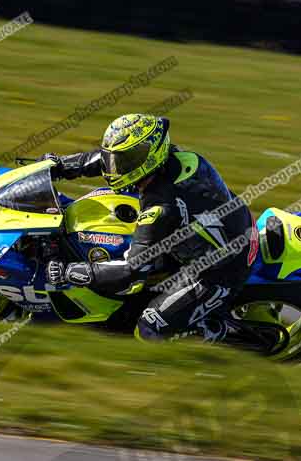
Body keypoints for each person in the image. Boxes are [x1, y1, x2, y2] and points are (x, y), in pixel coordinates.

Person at [44, 114, 257, 342]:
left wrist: (71, 272)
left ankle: (221, 334)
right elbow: (109, 160)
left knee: (149, 328)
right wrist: (61, 166)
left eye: (124, 159)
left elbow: (130, 273)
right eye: (114, 158)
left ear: (148, 156)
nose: (115, 166)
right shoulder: (172, 157)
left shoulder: (161, 208)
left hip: (218, 269)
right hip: (225, 227)